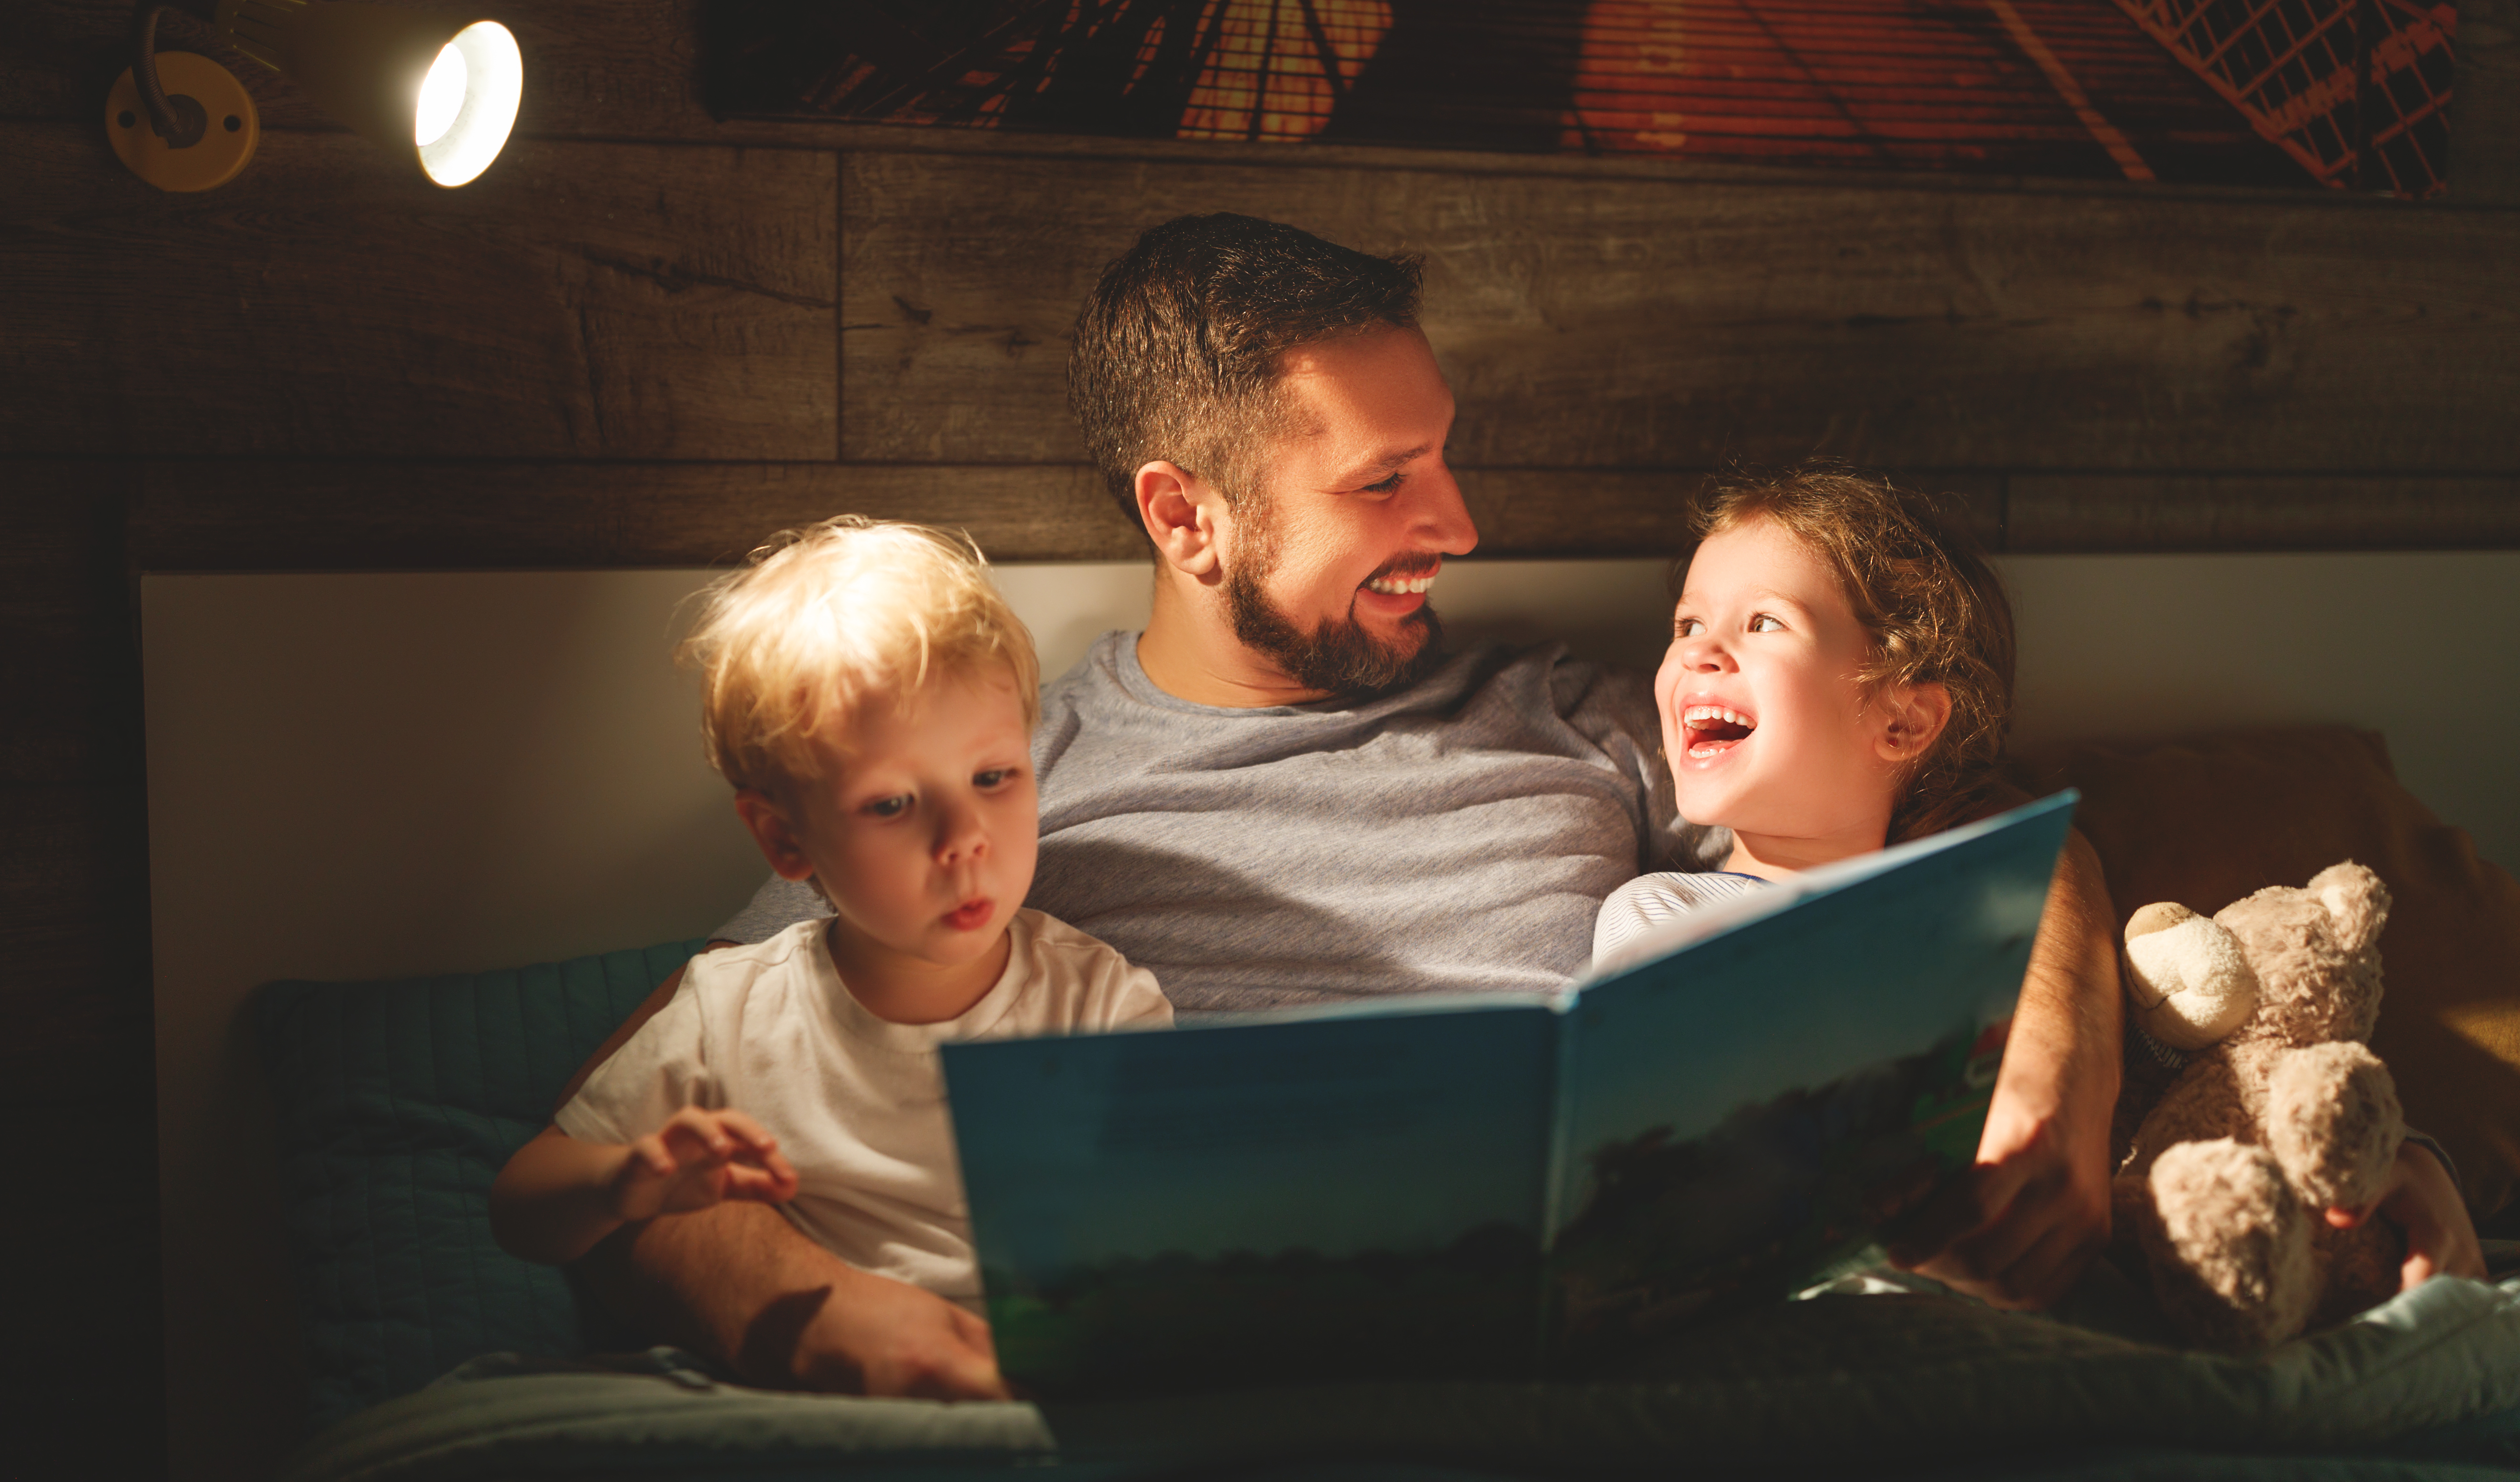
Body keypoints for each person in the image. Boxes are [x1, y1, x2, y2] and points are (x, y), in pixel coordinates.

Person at [573, 214, 2128, 1397]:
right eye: (1384, 483)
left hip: (1575, 1360)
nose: (1456, 522)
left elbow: (1963, 806)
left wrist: (2057, 1054)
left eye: (1441, 457)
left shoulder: (1583, 718)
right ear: (1187, 516)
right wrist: (820, 1307)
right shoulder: (993, 786)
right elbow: (647, 1100)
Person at [1594, 465, 2481, 1292]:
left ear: (1902, 719)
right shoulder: (1666, 912)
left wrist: (2394, 1156)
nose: (1699, 654)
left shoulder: (2002, 917)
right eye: (1686, 625)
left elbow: (2197, 1085)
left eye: (1762, 623)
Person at [490, 519, 1170, 1398]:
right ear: (783, 839)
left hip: (1044, 1393)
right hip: (825, 1407)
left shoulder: (1098, 1002)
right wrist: (628, 1182)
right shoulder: (732, 1011)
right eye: (892, 804)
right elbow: (520, 1206)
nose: (963, 840)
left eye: (995, 777)